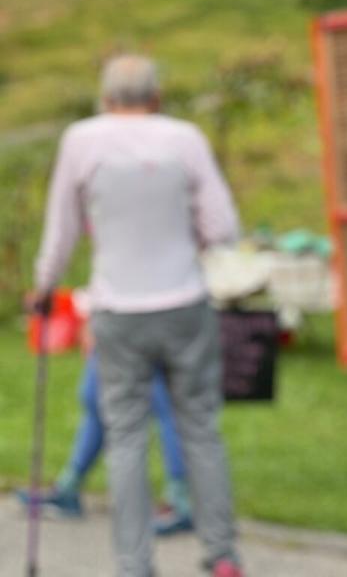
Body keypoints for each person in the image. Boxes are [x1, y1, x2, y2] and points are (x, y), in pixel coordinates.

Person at [31, 54, 245, 577]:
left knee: (125, 435)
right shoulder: (185, 138)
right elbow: (222, 228)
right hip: (183, 305)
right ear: (156, 97)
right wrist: (183, 236)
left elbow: (61, 229)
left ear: (106, 100)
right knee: (200, 428)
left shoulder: (82, 140)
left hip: (118, 311)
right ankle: (220, 555)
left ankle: (135, 565)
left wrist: (44, 286)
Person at [19, 308, 193, 535]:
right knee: (96, 395)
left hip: (150, 310)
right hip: (114, 312)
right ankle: (68, 488)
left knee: (163, 401)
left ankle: (180, 500)